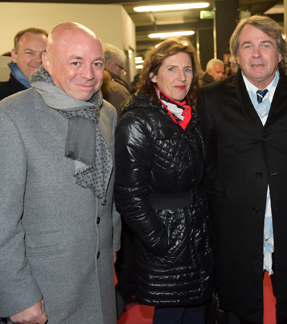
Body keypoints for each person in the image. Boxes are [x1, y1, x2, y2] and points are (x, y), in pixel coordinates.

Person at [197, 14, 287, 324]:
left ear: (280, 53)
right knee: (238, 307)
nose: (256, 54)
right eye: (247, 46)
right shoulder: (211, 99)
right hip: (235, 228)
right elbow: (207, 166)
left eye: (265, 45)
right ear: (236, 56)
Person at [0, 22, 120, 323]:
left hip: (99, 273)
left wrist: (112, 243)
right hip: (46, 286)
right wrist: (17, 295)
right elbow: (2, 219)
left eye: (96, 63)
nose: (89, 74)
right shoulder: (11, 116)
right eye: (75, 62)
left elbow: (109, 187)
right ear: (48, 62)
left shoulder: (106, 112)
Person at [114, 37, 214, 324]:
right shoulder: (137, 122)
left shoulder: (191, 115)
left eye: (187, 69)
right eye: (171, 69)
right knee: (170, 313)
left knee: (196, 309)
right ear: (153, 75)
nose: (181, 78)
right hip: (165, 240)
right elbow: (128, 197)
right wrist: (161, 241)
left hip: (198, 235)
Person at [0, 27, 47, 101]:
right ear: (14, 55)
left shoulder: (60, 93)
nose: (38, 59)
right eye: (30, 53)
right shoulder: (3, 96)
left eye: (44, 53)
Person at [102, 43, 131, 118]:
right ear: (112, 66)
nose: (121, 75)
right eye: (121, 69)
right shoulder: (117, 90)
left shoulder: (90, 84)